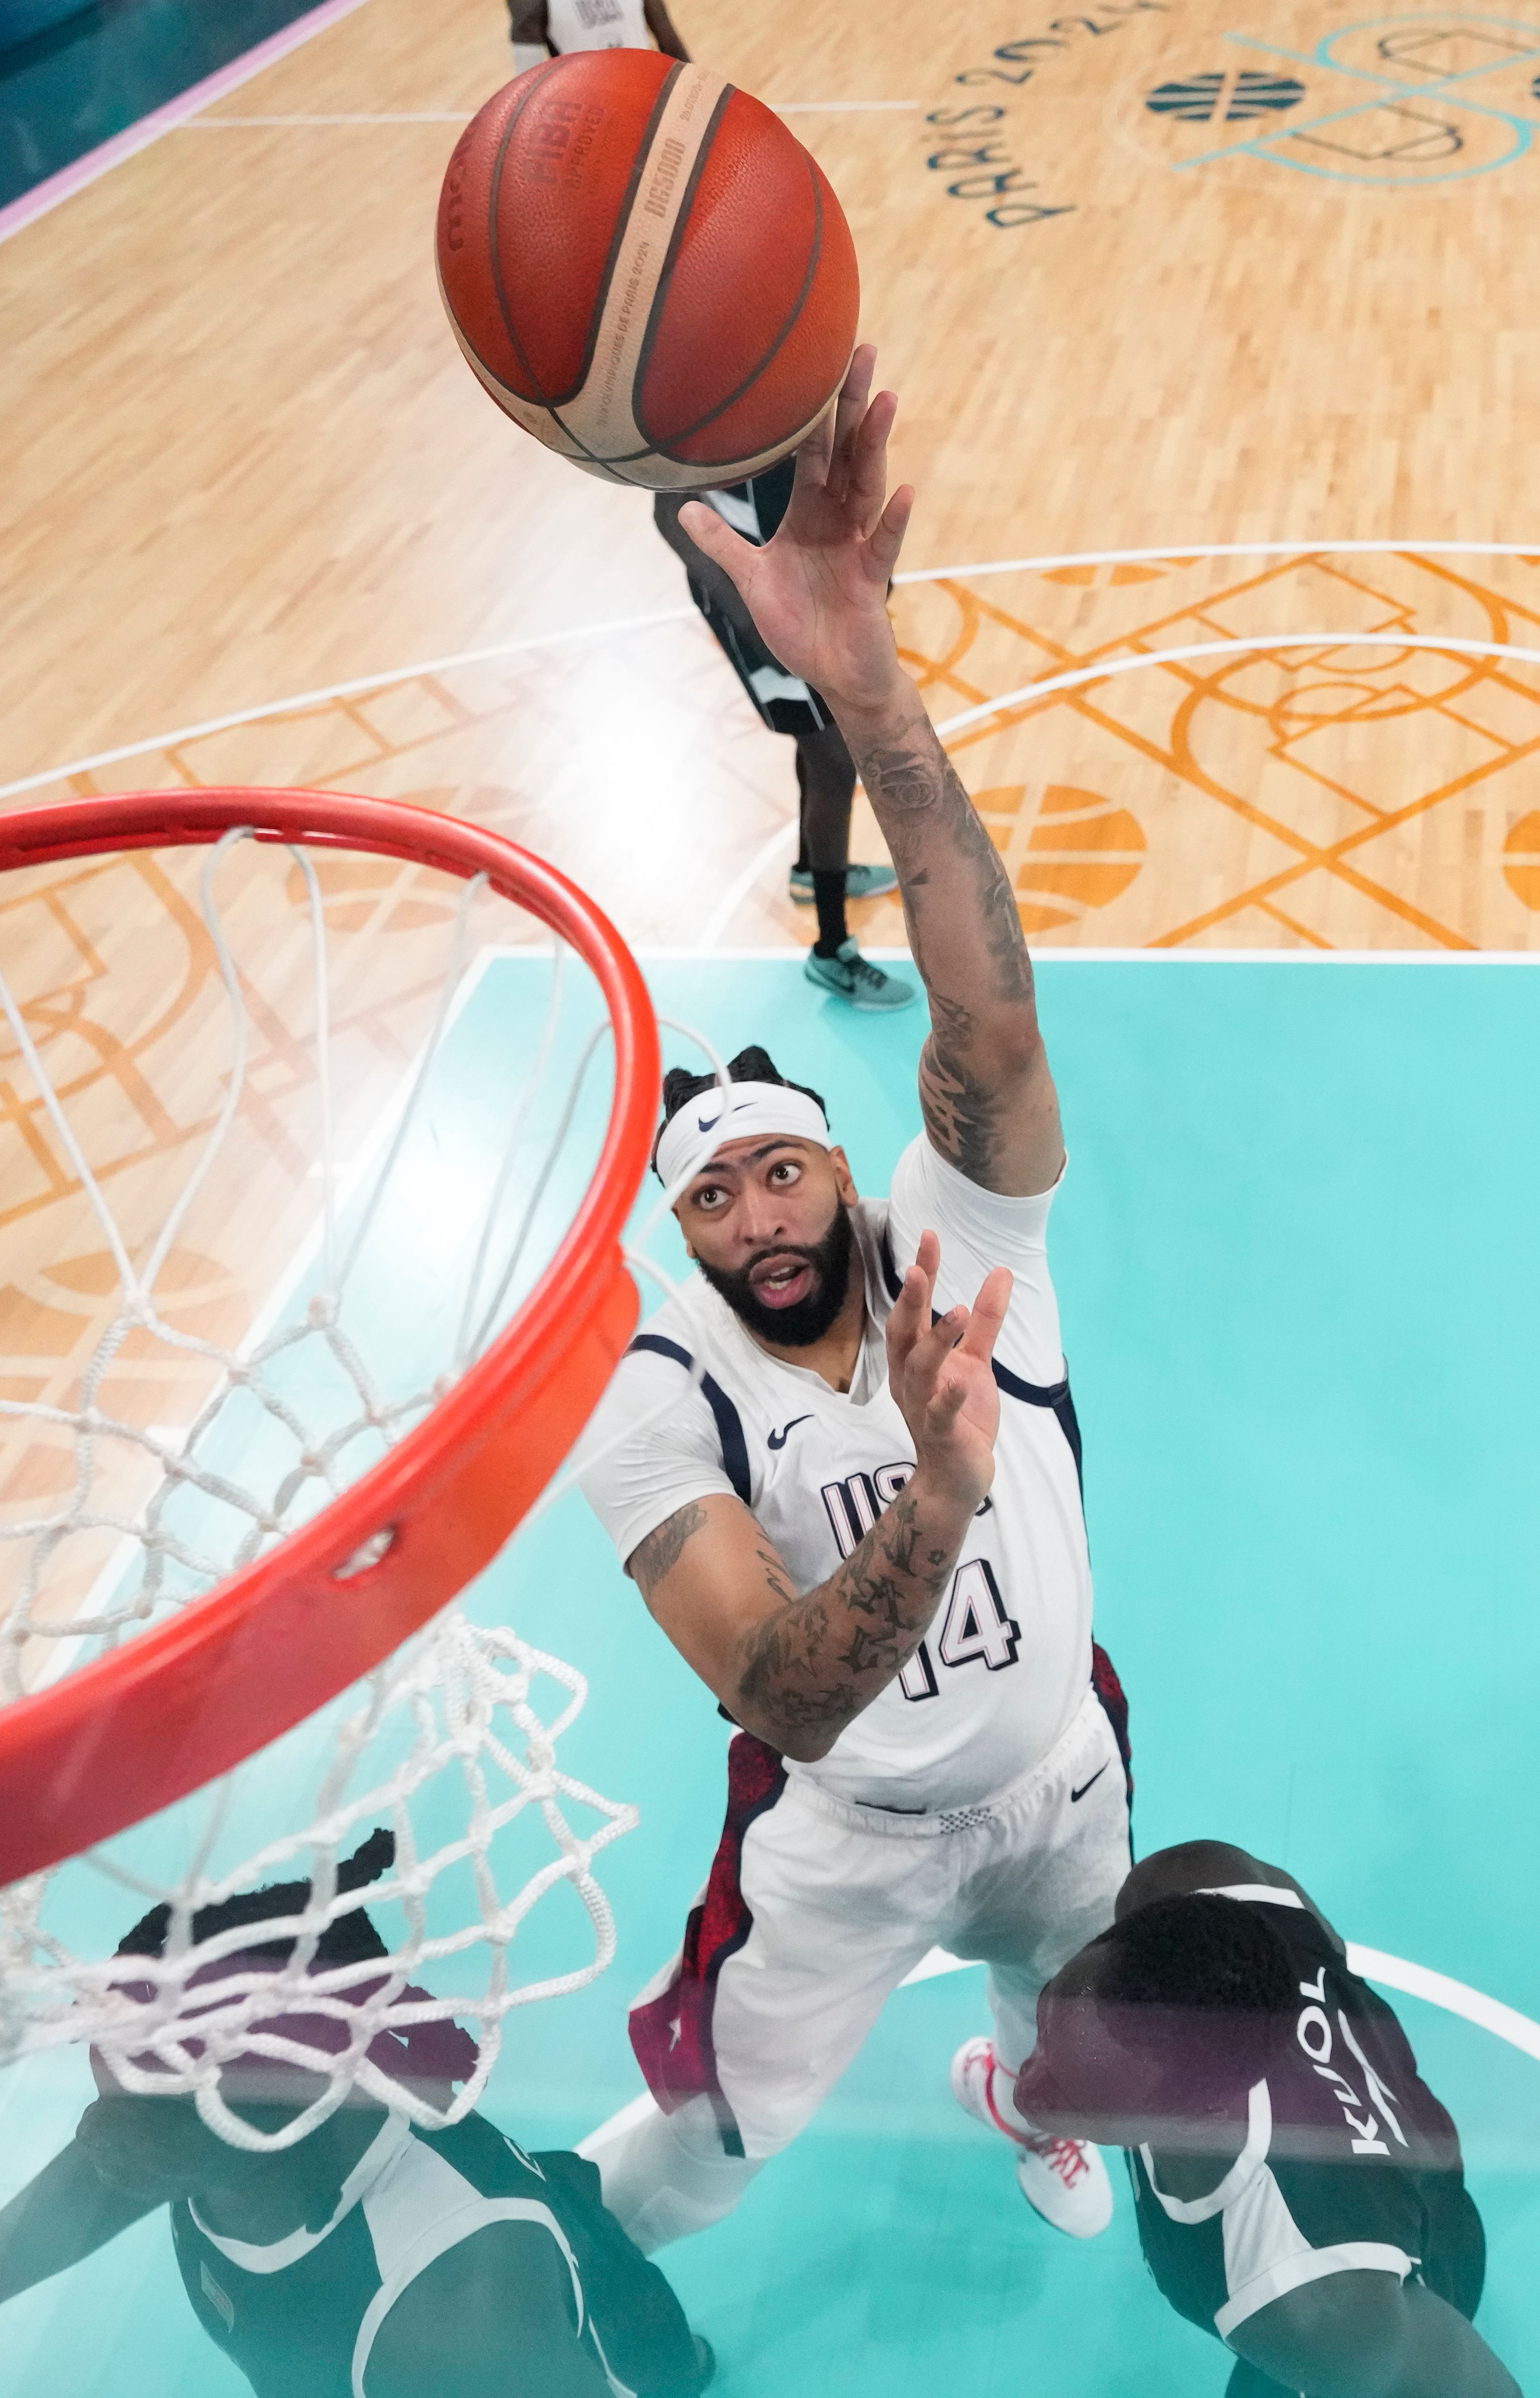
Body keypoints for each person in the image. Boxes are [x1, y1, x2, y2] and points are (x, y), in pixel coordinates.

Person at [574, 344, 1131, 2254]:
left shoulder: (957, 1247)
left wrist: (864, 682)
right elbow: (778, 1692)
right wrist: (942, 1495)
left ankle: (1018, 2093)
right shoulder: (654, 1398)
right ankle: (591, 2274)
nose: (759, 1214)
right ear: (687, 1235)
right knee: (708, 2145)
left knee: (1076, 2023)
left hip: (1066, 1760)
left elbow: (989, 1015)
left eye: (782, 1167)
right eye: (711, 1196)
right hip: (849, 1850)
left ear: (840, 1165)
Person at [0, 1832, 715, 2398]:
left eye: (152, 2096)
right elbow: (91, 2186)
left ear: (292, 2112)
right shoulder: (208, 2130)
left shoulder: (458, 2308)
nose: (101, 2132)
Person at [1015, 1840, 1522, 2398]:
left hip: (1408, 2279)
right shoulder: (1195, 1881)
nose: (1027, 2089)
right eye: (1046, 2027)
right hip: (1392, 2149)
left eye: (1077, 2093)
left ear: (1199, 2114)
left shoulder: (1307, 2306)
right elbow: (1331, 1955)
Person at [655, 459, 909, 1011]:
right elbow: (666, 510)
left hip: (801, 577)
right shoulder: (683, 404)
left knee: (818, 745)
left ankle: (809, 870)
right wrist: (755, 618)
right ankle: (831, 950)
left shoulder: (774, 385)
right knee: (834, 762)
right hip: (750, 598)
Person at [508, 0, 689, 77]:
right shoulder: (529, 4)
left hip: (649, 91)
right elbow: (526, 87)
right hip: (587, 112)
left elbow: (669, 41)